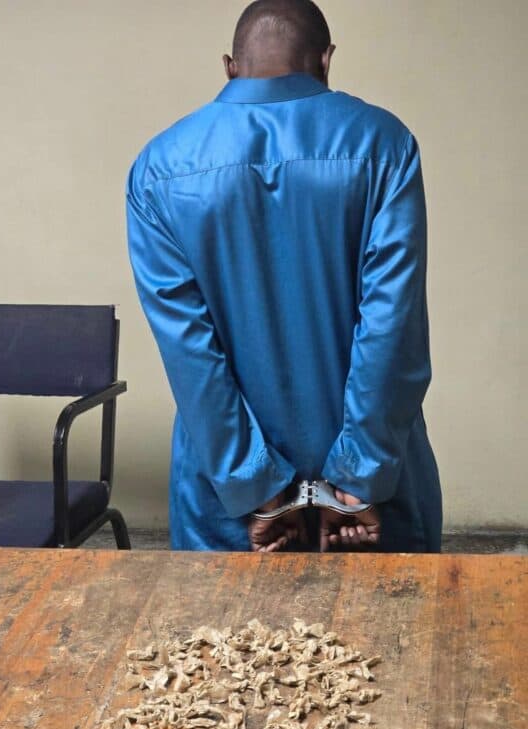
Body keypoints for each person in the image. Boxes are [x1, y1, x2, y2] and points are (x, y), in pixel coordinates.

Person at [126, 0, 442, 553]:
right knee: (383, 613)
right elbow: (392, 324)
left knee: (222, 615)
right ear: (326, 59)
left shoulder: (159, 169)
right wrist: (358, 477)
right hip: (369, 499)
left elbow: (189, 351)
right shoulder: (383, 145)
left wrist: (256, 485)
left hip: (231, 502)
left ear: (229, 67)